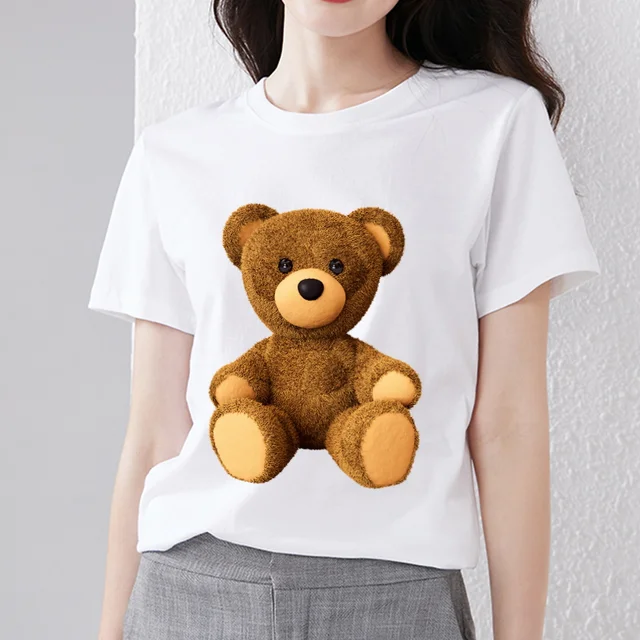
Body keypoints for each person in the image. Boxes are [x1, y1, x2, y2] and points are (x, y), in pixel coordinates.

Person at [88, 0, 601, 638]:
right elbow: (154, 433)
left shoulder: (496, 124)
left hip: (397, 598)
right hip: (189, 590)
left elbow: (508, 426)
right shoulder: (173, 153)